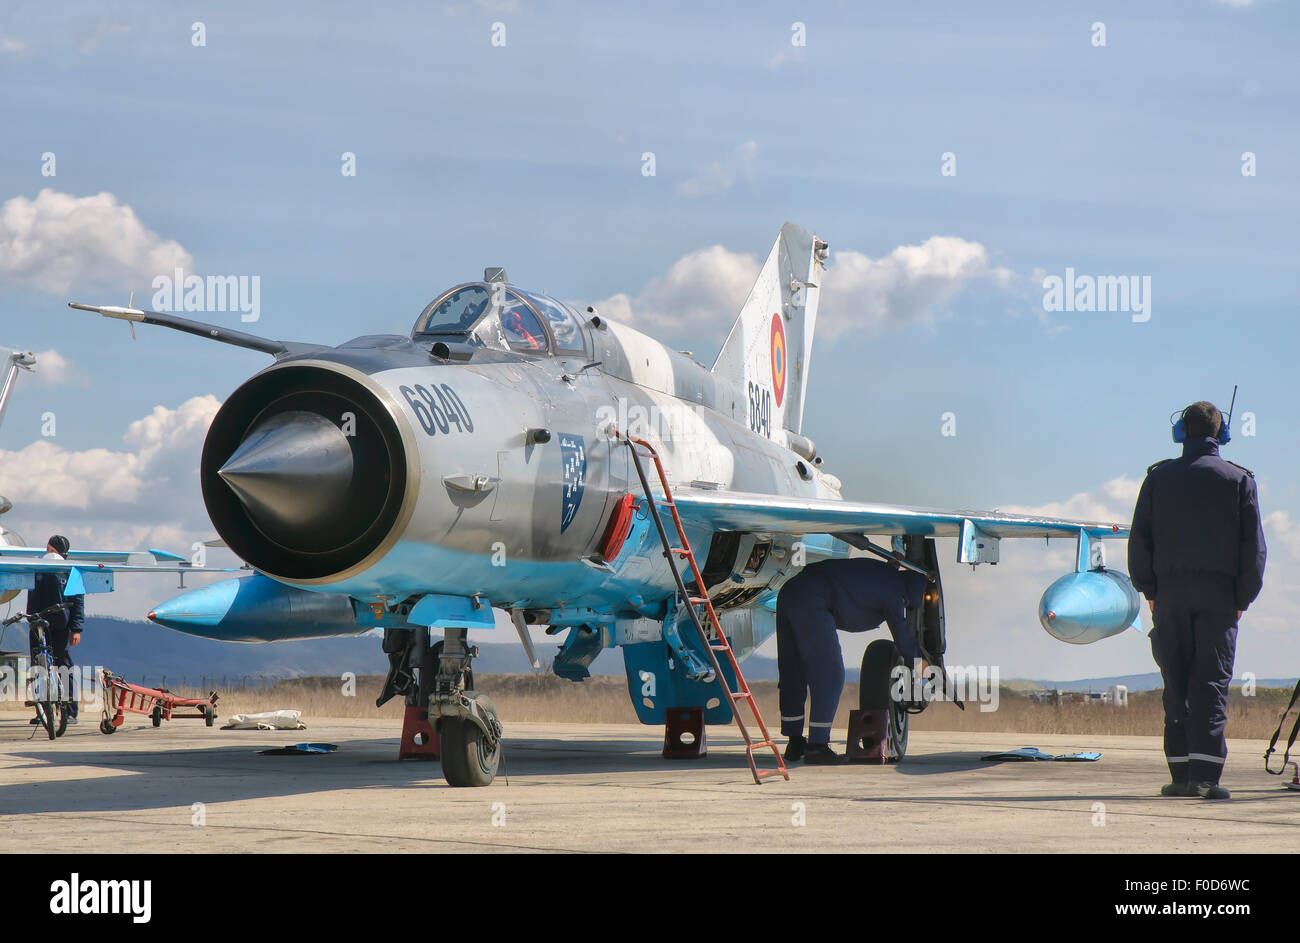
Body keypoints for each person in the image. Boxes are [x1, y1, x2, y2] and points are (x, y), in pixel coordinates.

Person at [1129, 401, 1266, 800]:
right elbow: (1253, 549)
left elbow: (1140, 541)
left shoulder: (1157, 479)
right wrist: (1241, 598)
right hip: (1219, 599)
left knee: (1175, 683)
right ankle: (1205, 779)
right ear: (1221, 435)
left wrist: (1151, 591)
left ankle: (1179, 775)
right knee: (1210, 683)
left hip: (1169, 596)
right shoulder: (1239, 480)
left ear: (1180, 433)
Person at [776, 557, 929, 765]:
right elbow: (902, 639)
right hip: (814, 598)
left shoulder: (886, 574)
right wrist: (923, 668)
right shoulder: (896, 594)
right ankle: (817, 746)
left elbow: (865, 579)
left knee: (793, 668)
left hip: (790, 591)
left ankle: (795, 741)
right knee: (830, 674)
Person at [27, 534, 85, 725]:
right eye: (47, 548)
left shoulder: (71, 572)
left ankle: (69, 712)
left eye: (51, 549)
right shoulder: (37, 568)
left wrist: (76, 629)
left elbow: (78, 602)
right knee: (38, 667)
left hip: (61, 626)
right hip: (37, 625)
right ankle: (43, 712)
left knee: (63, 667)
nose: (48, 552)